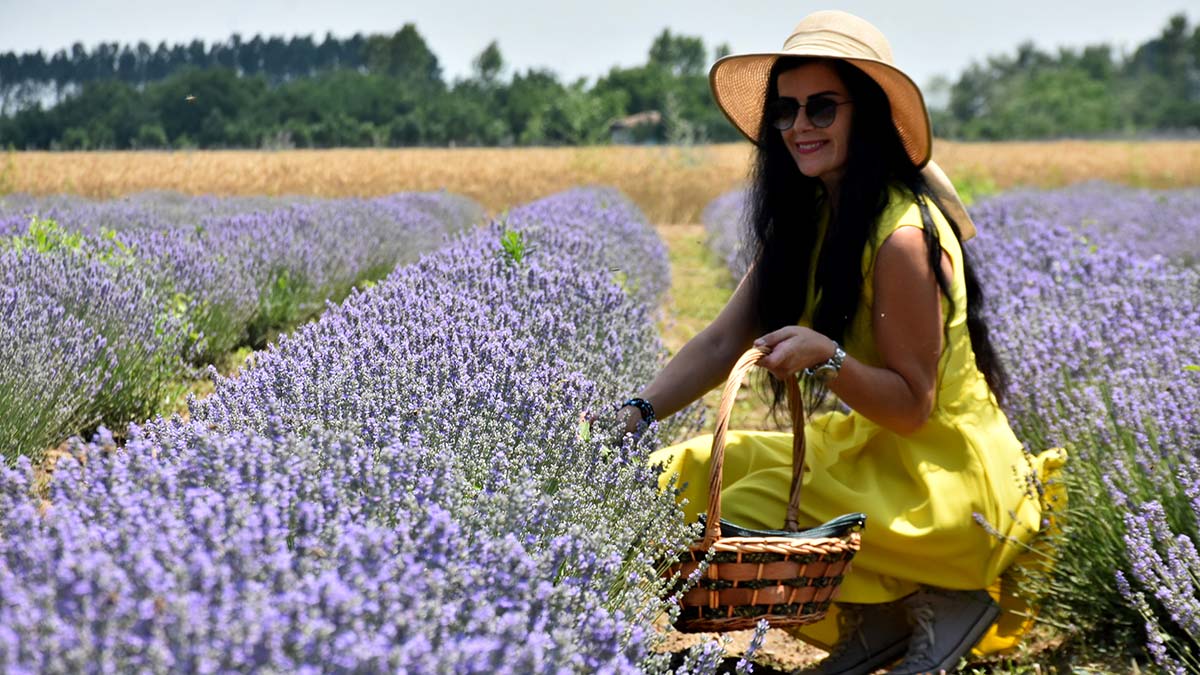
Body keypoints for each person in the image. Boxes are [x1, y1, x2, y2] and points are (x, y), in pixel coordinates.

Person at [615, 11, 1065, 675]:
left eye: (822, 108)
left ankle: (945, 593)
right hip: (878, 454)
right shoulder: (810, 216)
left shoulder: (902, 236)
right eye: (787, 110)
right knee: (672, 478)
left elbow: (914, 407)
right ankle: (883, 612)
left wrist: (827, 356)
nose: (799, 126)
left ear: (869, 115)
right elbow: (719, 343)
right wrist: (636, 414)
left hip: (943, 483)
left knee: (740, 510)